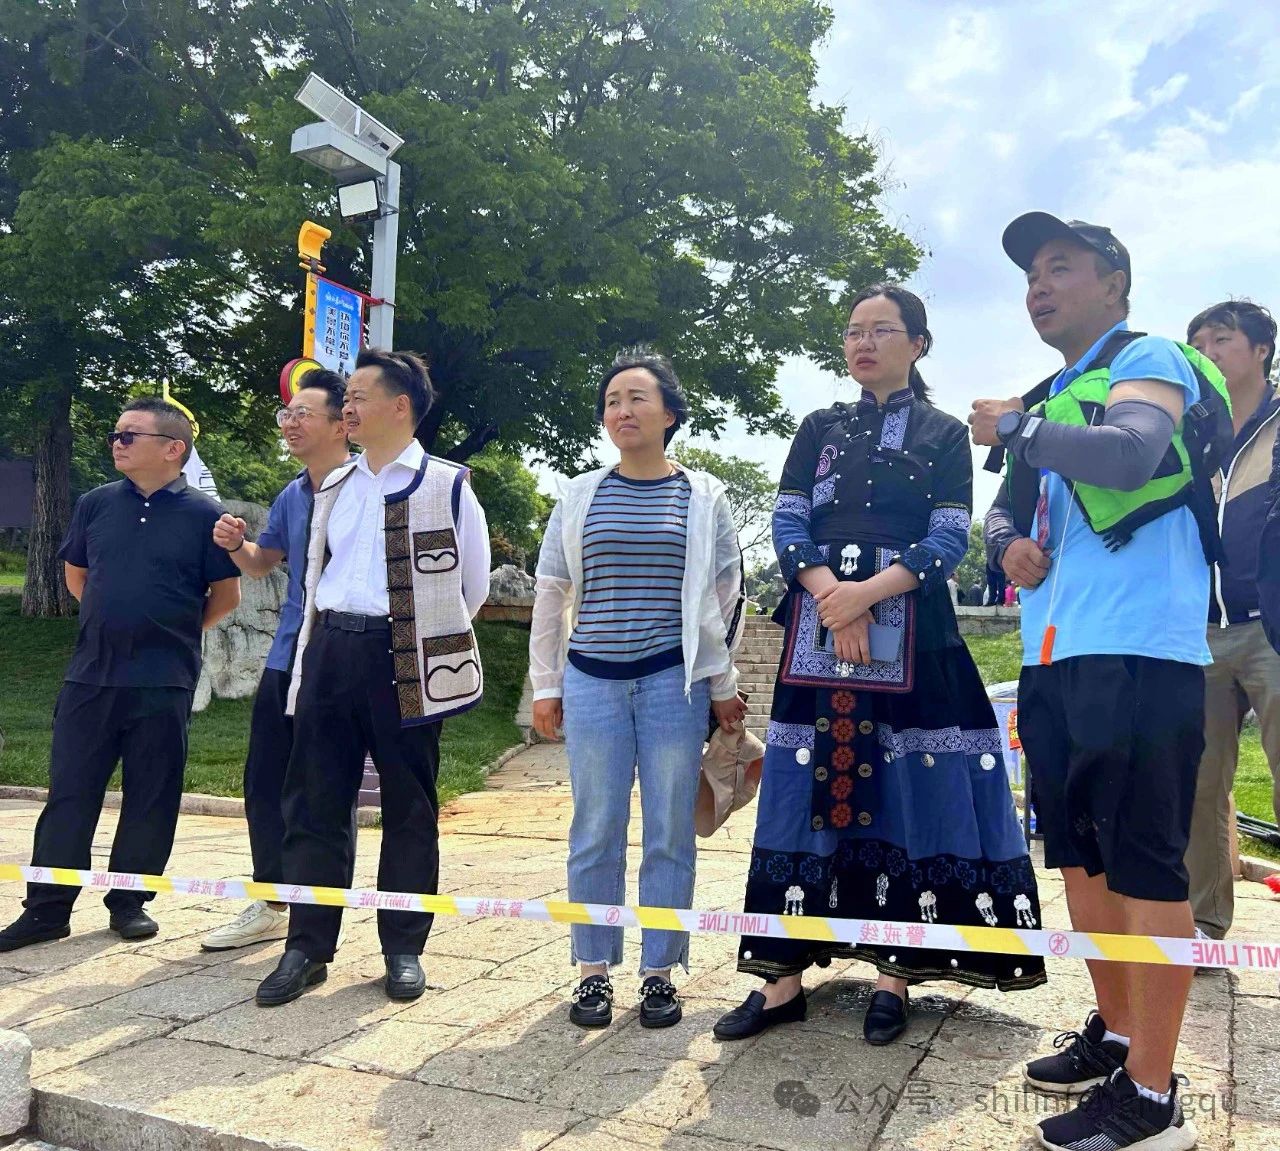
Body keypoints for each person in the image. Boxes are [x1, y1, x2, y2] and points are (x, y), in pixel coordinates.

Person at [713, 283, 1045, 1049]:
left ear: (918, 343)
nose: (863, 342)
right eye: (854, 330)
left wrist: (865, 595)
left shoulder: (942, 432)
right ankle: (780, 977)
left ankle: (896, 973)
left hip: (915, 634)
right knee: (800, 789)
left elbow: (948, 537)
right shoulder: (818, 427)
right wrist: (832, 596)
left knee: (906, 786)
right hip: (817, 628)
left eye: (881, 329)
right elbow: (788, 520)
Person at [973, 213, 1216, 1151]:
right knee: (1079, 856)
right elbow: (1002, 513)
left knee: (1144, 859)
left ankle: (1152, 1096)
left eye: (1059, 268)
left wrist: (1020, 426)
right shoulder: (1051, 394)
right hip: (1052, 650)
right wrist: (1007, 545)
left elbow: (1131, 452)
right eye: (1030, 275)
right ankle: (1116, 1035)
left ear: (1115, 282)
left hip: (1140, 647)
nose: (1038, 287)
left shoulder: (1145, 356)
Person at [254, 349, 490, 1007]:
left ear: (400, 406)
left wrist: (412, 638)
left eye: (359, 396)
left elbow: (470, 588)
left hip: (405, 657)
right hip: (331, 649)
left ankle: (403, 948)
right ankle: (306, 946)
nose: (347, 407)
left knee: (409, 804)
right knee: (315, 798)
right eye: (346, 397)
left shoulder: (449, 485)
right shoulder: (334, 485)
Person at [529, 347, 747, 1030]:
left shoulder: (704, 496)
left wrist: (722, 683)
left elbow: (725, 598)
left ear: (670, 413)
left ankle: (660, 972)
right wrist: (545, 684)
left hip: (670, 684)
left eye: (637, 398)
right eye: (612, 401)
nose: (622, 410)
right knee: (594, 827)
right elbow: (551, 592)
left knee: (669, 830)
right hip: (592, 680)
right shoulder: (579, 495)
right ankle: (592, 971)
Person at [0, 398, 241, 951]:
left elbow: (225, 597)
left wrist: (170, 634)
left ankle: (129, 903)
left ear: (173, 448)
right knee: (69, 793)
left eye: (129, 435)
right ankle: (47, 910)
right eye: (115, 434)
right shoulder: (96, 503)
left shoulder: (206, 515)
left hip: (164, 679)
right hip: (90, 676)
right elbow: (77, 576)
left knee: (151, 794)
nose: (116, 442)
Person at [200, 370, 355, 951]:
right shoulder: (293, 494)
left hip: (342, 661)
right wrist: (235, 543)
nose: (290, 424)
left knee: (324, 791)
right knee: (265, 781)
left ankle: (319, 919)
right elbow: (263, 561)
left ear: (342, 424)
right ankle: (271, 901)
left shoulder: (366, 491)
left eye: (302, 414)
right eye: (286, 415)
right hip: (287, 657)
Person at [1183, 301, 1280, 943]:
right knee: (1200, 782)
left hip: (1272, 629)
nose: (1208, 354)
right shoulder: (1193, 434)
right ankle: (1204, 923)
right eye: (1197, 345)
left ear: (1261, 350)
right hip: (1201, 632)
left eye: (1221, 340)